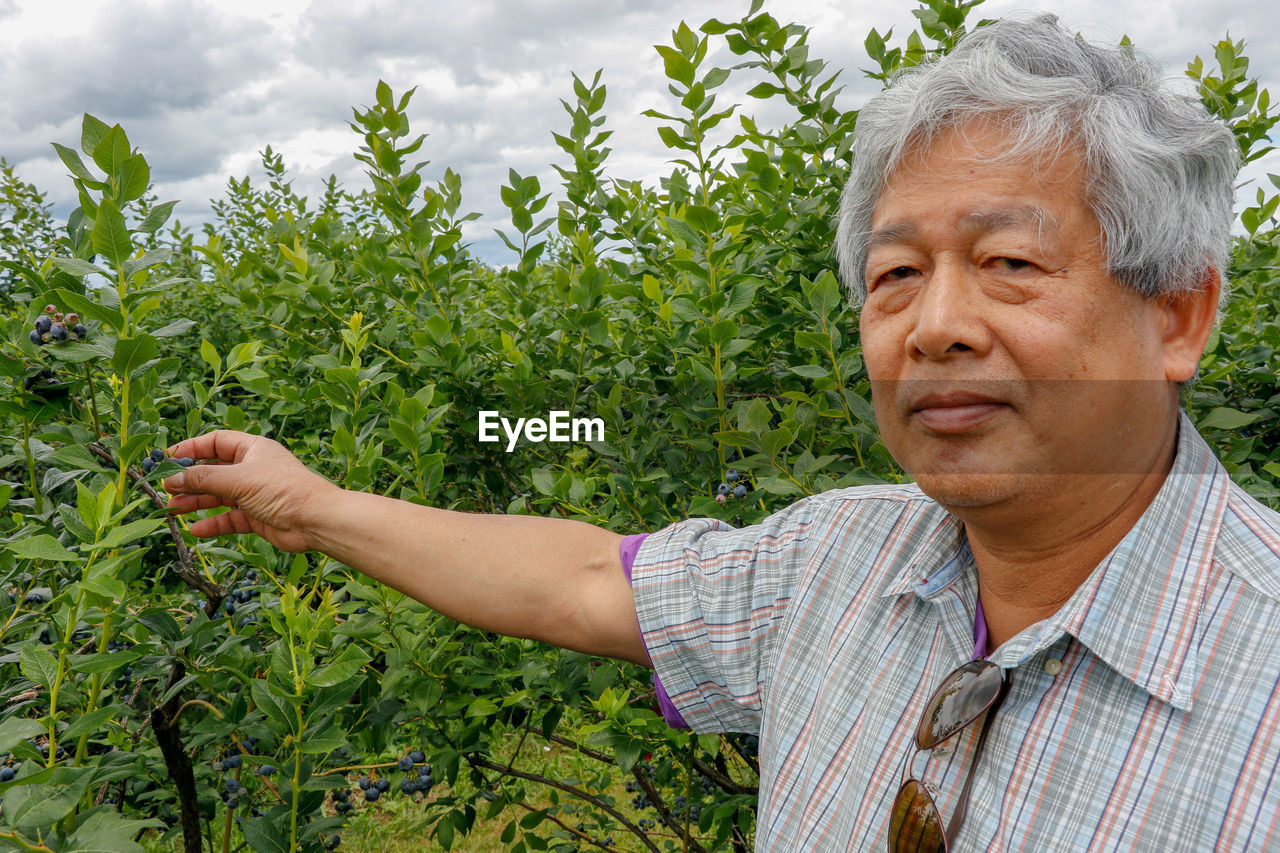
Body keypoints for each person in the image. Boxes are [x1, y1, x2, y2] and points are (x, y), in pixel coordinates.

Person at [164, 14, 1280, 852]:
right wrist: (307, 502)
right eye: (894, 275)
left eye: (1010, 264)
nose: (934, 326)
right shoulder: (834, 562)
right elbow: (590, 579)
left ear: (1175, 313)